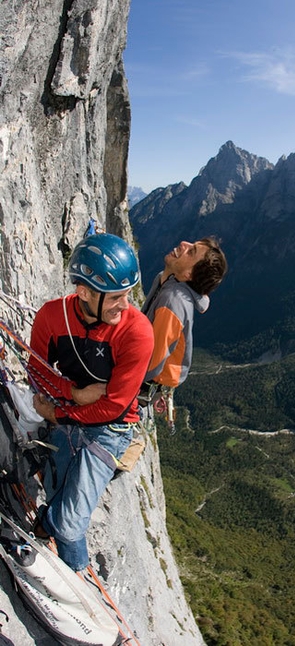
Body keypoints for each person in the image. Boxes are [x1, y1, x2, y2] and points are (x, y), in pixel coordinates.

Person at [28, 233, 154, 572]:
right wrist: (74, 394)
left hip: (111, 429)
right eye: (116, 297)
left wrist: (57, 413)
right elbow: (36, 372)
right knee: (57, 495)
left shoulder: (136, 332)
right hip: (70, 418)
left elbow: (114, 406)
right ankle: (53, 535)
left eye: (128, 294)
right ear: (83, 292)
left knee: (69, 522)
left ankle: (77, 579)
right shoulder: (52, 317)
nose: (126, 305)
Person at [140, 237, 227, 396]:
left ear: (189, 274)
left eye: (191, 251)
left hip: (145, 381)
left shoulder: (173, 301)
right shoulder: (166, 278)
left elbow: (152, 362)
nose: (183, 244)